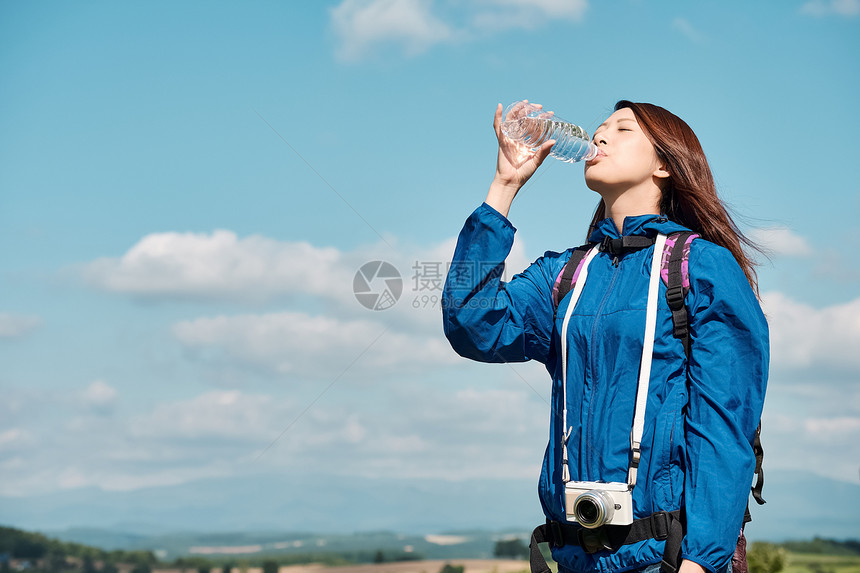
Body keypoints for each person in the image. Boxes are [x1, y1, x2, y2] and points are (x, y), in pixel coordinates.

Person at [441, 101, 769, 573]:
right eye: (598, 129)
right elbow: (470, 322)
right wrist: (504, 186)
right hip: (572, 558)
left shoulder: (702, 267)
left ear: (663, 164)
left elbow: (723, 422)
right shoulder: (565, 273)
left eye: (622, 128)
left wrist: (702, 562)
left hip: (667, 561)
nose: (599, 137)